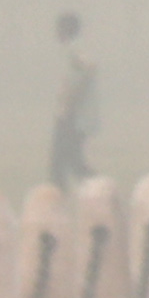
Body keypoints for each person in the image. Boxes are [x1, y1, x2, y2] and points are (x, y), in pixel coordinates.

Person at [45, 12, 98, 190]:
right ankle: (98, 191)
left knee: (62, 162)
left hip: (72, 117)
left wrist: (68, 106)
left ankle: (100, 192)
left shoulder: (74, 51)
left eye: (59, 29)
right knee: (70, 161)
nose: (56, 33)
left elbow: (85, 72)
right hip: (70, 115)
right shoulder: (72, 51)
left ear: (67, 30)